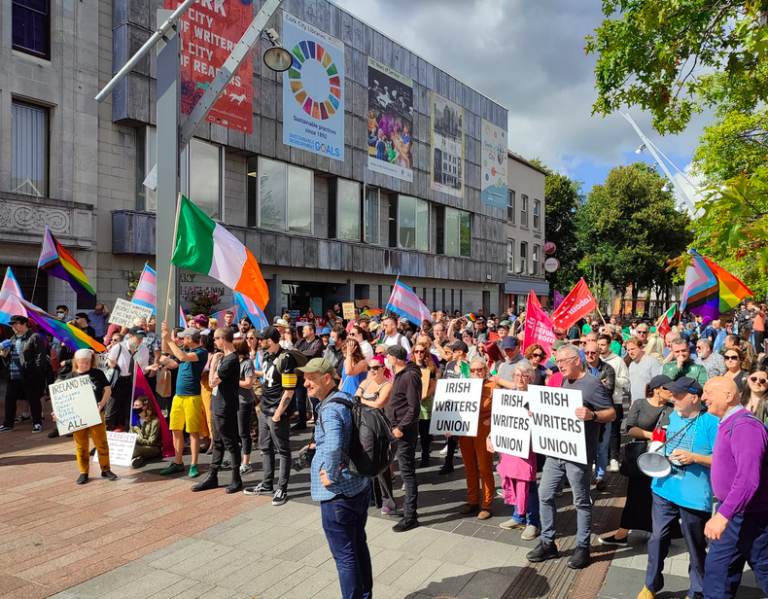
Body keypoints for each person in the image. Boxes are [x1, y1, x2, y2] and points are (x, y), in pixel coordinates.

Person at [527, 343, 615, 570]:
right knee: (545, 495)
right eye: (557, 361)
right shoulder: (565, 380)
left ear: (577, 360)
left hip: (578, 455)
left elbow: (612, 413)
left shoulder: (593, 384)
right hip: (556, 451)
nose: (559, 365)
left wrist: (593, 414)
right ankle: (548, 543)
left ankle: (582, 548)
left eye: (563, 361)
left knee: (581, 501)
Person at [636, 377, 719, 599]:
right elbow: (660, 440)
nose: (672, 397)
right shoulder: (670, 414)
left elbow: (723, 460)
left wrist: (695, 457)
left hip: (693, 495)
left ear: (694, 397)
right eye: (671, 393)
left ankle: (696, 592)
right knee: (657, 538)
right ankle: (651, 585)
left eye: (678, 395)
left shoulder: (711, 422)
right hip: (663, 488)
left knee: (695, 546)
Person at [300, 358, 373, 599]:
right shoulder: (345, 398)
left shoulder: (330, 407)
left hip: (338, 494)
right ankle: (365, 595)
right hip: (358, 486)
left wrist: (329, 474)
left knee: (345, 556)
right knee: (358, 545)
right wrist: (317, 446)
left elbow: (332, 446)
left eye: (311, 378)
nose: (305, 383)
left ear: (327, 378)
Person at [701, 377, 768, 599]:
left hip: (750, 515)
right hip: (734, 512)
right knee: (718, 572)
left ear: (728, 396)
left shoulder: (745, 425)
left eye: (709, 392)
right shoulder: (729, 423)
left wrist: (723, 515)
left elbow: (748, 478)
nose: (704, 398)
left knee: (763, 568)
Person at [599, 375, 673, 546]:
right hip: (640, 458)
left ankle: (661, 533)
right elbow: (630, 429)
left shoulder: (672, 408)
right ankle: (622, 534)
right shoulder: (640, 404)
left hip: (661, 459)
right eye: (667, 388)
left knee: (658, 497)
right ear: (656, 389)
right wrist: (653, 435)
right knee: (635, 496)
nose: (671, 392)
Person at [244, 327, 295, 505]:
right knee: (265, 448)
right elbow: (266, 376)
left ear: (270, 340)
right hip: (265, 408)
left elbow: (289, 391)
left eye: (262, 339)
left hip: (277, 412)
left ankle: (282, 487)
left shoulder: (286, 358)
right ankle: (267, 484)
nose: (259, 341)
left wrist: (278, 414)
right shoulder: (266, 355)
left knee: (283, 449)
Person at [493, 361, 540, 540]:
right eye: (517, 375)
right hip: (509, 448)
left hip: (526, 449)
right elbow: (499, 420)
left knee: (528, 484)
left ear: (531, 377)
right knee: (513, 481)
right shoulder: (508, 395)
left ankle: (533, 522)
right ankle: (518, 517)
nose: (520, 378)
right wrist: (491, 437)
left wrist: (535, 415)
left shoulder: (534, 397)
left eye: (524, 375)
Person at [192, 328, 243, 493]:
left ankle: (236, 479)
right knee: (218, 443)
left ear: (222, 339)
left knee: (230, 443)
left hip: (225, 407)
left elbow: (212, 382)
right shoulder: (225, 357)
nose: (213, 342)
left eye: (215, 339)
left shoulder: (231, 360)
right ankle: (212, 476)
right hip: (217, 404)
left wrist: (213, 364)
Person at [57, 349, 117, 484]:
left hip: (96, 414)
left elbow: (107, 389)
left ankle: (106, 469)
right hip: (78, 416)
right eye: (81, 363)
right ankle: (83, 471)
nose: (84, 365)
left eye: (87, 363)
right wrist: (58, 413)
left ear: (91, 362)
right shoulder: (70, 376)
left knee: (101, 442)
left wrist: (102, 402)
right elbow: (60, 398)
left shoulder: (97, 373)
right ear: (76, 362)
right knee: (81, 445)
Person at [159, 324, 207, 478]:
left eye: (184, 337)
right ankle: (178, 462)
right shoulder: (185, 350)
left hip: (192, 396)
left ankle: (194, 464)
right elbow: (167, 352)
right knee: (176, 429)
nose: (181, 339)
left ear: (191, 339)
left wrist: (170, 340)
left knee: (193, 432)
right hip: (178, 396)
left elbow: (182, 357)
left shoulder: (201, 352)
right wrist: (164, 336)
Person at [384, 344, 421, 532]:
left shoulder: (409, 376)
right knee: (403, 469)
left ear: (394, 358)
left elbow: (414, 408)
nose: (386, 360)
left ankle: (411, 516)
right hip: (397, 427)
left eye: (387, 357)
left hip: (405, 431)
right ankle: (408, 509)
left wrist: (400, 428)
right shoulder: (400, 375)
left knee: (407, 472)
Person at [459, 358, 499, 521]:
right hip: (466, 430)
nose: (476, 373)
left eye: (479, 370)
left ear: (485, 370)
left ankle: (487, 504)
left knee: (485, 468)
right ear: (469, 372)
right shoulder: (463, 386)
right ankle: (472, 500)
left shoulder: (493, 387)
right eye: (473, 370)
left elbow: (500, 410)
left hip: (483, 430)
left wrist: (491, 421)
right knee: (469, 467)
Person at [356, 355, 395, 514]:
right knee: (366, 461)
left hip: (380, 429)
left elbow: (379, 404)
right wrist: (363, 401)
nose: (372, 370)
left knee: (381, 465)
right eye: (370, 368)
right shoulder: (365, 382)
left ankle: (388, 501)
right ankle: (372, 497)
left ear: (383, 369)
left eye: (375, 368)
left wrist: (362, 401)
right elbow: (355, 399)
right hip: (363, 427)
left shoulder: (387, 385)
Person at [0, 315, 47, 433]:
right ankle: (8, 424)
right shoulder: (13, 339)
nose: (14, 326)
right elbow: (9, 356)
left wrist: (34, 373)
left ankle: (37, 423)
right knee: (10, 400)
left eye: (16, 323)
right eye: (12, 324)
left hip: (28, 375)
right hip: (13, 375)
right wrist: (5, 357)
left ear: (24, 324)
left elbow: (39, 358)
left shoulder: (35, 338)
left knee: (33, 399)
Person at [598, 334, 630, 474]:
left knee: (614, 432)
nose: (600, 347)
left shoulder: (618, 361)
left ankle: (614, 459)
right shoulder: (595, 360)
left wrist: (611, 380)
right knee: (598, 431)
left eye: (603, 345)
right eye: (598, 345)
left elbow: (626, 382)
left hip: (615, 400)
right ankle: (600, 459)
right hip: (597, 401)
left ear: (609, 345)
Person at [410, 341, 438, 467]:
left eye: (422, 351)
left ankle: (425, 455)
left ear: (425, 353)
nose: (419, 354)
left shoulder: (429, 368)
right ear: (413, 353)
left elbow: (433, 386)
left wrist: (425, 395)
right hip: (412, 403)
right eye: (417, 351)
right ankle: (411, 455)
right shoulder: (409, 367)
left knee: (425, 432)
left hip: (425, 403)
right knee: (413, 433)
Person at [293, 323, 324, 430]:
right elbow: (294, 352)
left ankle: (317, 424)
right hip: (301, 373)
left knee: (314, 399)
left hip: (313, 374)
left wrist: (300, 353)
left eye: (305, 329)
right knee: (300, 399)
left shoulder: (318, 342)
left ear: (311, 331)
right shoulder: (300, 342)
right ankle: (301, 421)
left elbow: (314, 353)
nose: (303, 331)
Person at [233, 338, 255, 474]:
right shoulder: (234, 361)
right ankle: (237, 457)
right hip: (234, 400)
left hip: (244, 401)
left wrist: (233, 381)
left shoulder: (247, 363)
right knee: (234, 432)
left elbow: (248, 383)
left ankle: (246, 462)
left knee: (243, 432)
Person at [130, 396, 162, 468]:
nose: (134, 407)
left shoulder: (154, 421)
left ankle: (138, 456)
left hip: (153, 448)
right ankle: (138, 458)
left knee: (133, 450)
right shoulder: (135, 420)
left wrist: (135, 439)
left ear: (145, 407)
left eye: (137, 405)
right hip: (139, 445)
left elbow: (151, 442)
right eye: (134, 405)